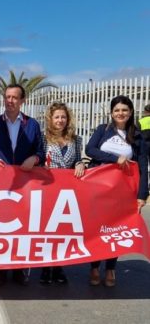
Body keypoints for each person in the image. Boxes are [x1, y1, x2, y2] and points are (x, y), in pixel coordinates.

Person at [86, 95, 148, 287]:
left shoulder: (138, 136)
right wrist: (115, 158)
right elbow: (90, 150)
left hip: (123, 192)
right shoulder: (102, 130)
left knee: (115, 229)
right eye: (117, 110)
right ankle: (95, 267)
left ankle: (111, 268)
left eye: (124, 110)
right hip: (99, 190)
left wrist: (142, 195)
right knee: (98, 229)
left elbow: (143, 166)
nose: (120, 113)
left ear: (130, 112)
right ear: (111, 113)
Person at [0, 84, 44, 286]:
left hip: (24, 183)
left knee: (21, 227)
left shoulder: (32, 124)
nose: (10, 101)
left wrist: (34, 159)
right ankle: (0, 268)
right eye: (7, 97)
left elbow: (41, 152)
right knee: (0, 227)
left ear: (22, 101)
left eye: (14, 97)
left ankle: (19, 268)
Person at [40, 102, 86, 285]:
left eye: (63, 117)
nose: (60, 120)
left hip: (68, 192)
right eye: (57, 117)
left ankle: (59, 267)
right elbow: (38, 158)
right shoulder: (43, 139)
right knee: (47, 229)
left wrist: (80, 164)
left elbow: (77, 160)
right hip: (48, 190)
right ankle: (45, 268)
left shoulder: (76, 139)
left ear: (68, 119)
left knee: (63, 231)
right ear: (51, 119)